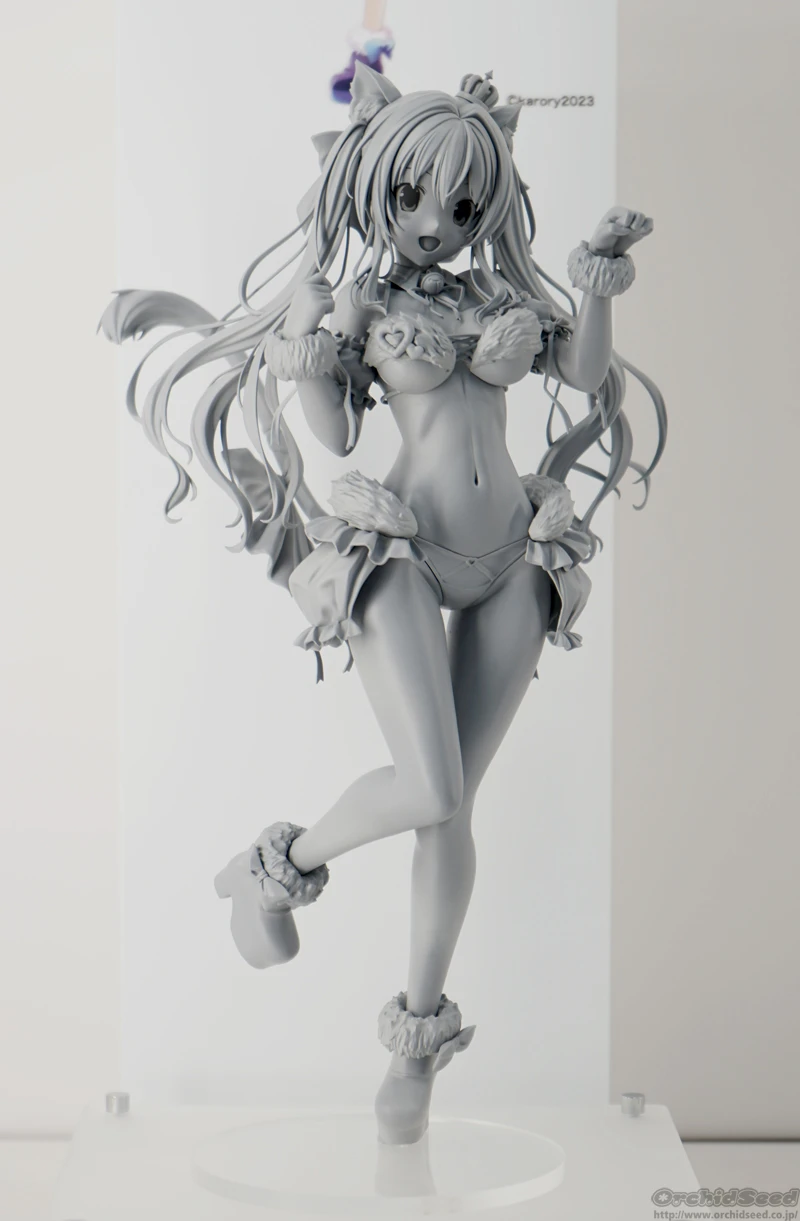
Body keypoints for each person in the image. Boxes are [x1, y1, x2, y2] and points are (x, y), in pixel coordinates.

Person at [100, 63, 664, 1146]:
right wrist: (312, 339)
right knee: (429, 783)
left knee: (451, 809)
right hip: (401, 548)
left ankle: (414, 1046)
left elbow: (587, 376)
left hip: (513, 556)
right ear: (372, 186)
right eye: (411, 197)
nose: (432, 222)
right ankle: (277, 868)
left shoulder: (499, 298)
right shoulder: (368, 303)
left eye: (460, 202)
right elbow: (332, 433)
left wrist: (594, 280)